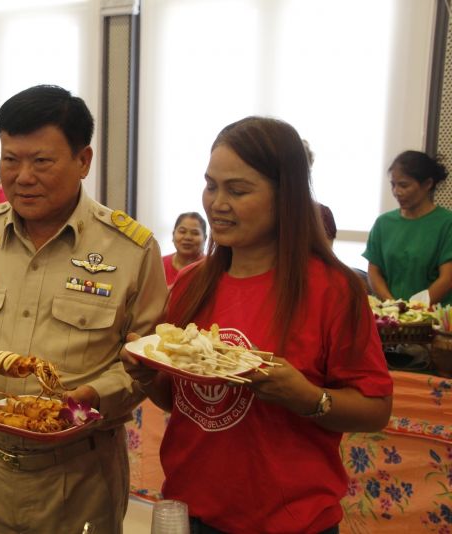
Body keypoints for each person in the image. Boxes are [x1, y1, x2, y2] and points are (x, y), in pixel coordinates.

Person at [0, 85, 168, 533]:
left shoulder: (130, 250)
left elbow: (148, 363)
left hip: (80, 476)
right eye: (11, 159)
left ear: (83, 161)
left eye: (41, 161)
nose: (22, 176)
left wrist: (90, 398)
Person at [131, 117, 392, 533]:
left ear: (284, 196)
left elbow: (376, 409)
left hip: (292, 521)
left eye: (237, 190)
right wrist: (147, 376)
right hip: (194, 509)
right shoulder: (191, 283)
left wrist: (307, 397)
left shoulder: (334, 289)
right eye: (211, 185)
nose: (217, 203)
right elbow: (188, 403)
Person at [364, 150, 452, 305]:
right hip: (391, 319)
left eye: (404, 185)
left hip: (433, 320)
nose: (396, 192)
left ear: (427, 184)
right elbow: (374, 271)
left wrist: (415, 307)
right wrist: (392, 304)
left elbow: (447, 278)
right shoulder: (383, 223)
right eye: (393, 185)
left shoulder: (446, 223)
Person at [161, 212, 206, 285]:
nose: (187, 237)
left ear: (205, 238)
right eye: (182, 231)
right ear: (173, 235)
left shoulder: (213, 268)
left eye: (195, 233)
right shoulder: (159, 265)